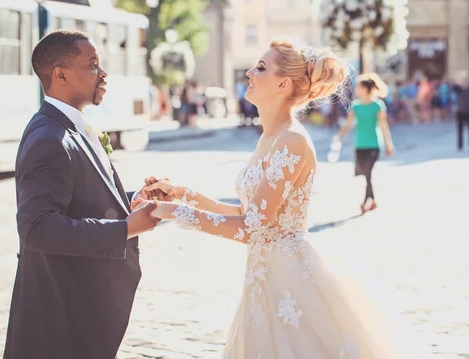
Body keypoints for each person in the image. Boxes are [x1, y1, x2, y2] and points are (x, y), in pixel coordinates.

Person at [136, 39, 432, 358]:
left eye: (260, 67)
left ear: (283, 83)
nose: (250, 72)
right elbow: (247, 211)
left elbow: (254, 228)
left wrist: (170, 211)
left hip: (292, 284)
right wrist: (182, 194)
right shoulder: (270, 137)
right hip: (264, 280)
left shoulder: (291, 142)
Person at [4, 30, 160, 359]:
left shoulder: (71, 126)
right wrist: (127, 228)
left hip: (79, 313)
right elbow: (38, 228)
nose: (103, 74)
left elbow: (81, 195)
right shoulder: (50, 136)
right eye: (92, 65)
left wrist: (131, 200)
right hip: (59, 323)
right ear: (60, 75)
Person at [336, 73, 395, 213]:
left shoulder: (378, 105)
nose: (355, 89)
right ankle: (373, 200)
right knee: (364, 173)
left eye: (358, 86)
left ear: (365, 88)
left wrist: (389, 144)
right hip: (359, 144)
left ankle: (365, 202)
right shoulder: (355, 106)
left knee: (368, 172)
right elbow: (348, 124)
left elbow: (383, 126)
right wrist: (339, 137)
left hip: (374, 144)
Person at [454, 74, 469, 150]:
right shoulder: (458, 89)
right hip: (460, 111)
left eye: (465, 81)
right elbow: (453, 87)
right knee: (460, 130)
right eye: (462, 81)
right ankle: (460, 145)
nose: (464, 83)